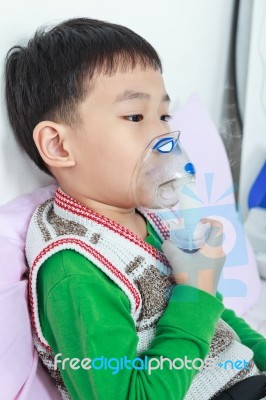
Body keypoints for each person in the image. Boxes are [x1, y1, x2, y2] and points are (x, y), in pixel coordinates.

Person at [4, 17, 266, 400]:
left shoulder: (147, 218)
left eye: (164, 116)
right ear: (59, 146)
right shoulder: (75, 271)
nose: (163, 137)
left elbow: (216, 321)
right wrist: (195, 294)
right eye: (134, 117)